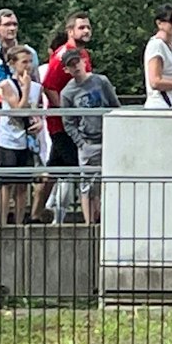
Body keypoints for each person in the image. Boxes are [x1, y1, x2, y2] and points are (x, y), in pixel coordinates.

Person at [38, 12, 94, 221]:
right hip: (63, 125)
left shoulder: (84, 54)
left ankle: (36, 212)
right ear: (70, 31)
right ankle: (90, 220)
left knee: (54, 169)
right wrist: (67, 112)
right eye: (81, 28)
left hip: (78, 123)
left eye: (88, 27)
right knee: (80, 169)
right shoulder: (63, 55)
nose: (86, 31)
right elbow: (49, 86)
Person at [59, 48, 116, 225]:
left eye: (77, 62)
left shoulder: (101, 81)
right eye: (71, 65)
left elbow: (115, 106)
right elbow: (68, 122)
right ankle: (88, 223)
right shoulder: (67, 93)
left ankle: (103, 219)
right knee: (87, 184)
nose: (76, 67)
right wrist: (81, 143)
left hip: (107, 138)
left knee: (106, 182)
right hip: (88, 141)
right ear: (66, 70)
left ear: (84, 61)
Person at [0, 46, 46, 224]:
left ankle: (20, 220)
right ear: (13, 64)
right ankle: (2, 221)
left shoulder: (37, 87)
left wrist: (39, 123)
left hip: (27, 140)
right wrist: (26, 88)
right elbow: (19, 110)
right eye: (24, 62)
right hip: (9, 140)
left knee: (23, 184)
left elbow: (34, 111)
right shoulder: (7, 85)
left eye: (30, 62)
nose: (28, 66)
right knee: (6, 184)